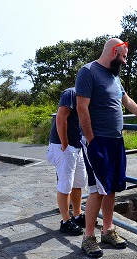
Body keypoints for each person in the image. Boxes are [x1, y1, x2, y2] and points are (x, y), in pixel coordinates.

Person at [75, 38, 137, 258]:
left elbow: (126, 100)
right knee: (99, 189)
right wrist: (91, 140)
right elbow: (81, 108)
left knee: (111, 187)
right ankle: (88, 237)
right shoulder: (88, 72)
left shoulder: (114, 76)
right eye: (123, 56)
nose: (124, 61)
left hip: (115, 140)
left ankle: (108, 230)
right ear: (114, 52)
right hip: (98, 140)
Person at [46, 87, 87, 236]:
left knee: (78, 182)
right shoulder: (71, 93)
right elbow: (60, 117)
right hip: (65, 146)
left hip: (77, 145)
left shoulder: (86, 95)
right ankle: (65, 221)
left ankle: (77, 215)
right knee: (65, 184)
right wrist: (65, 144)